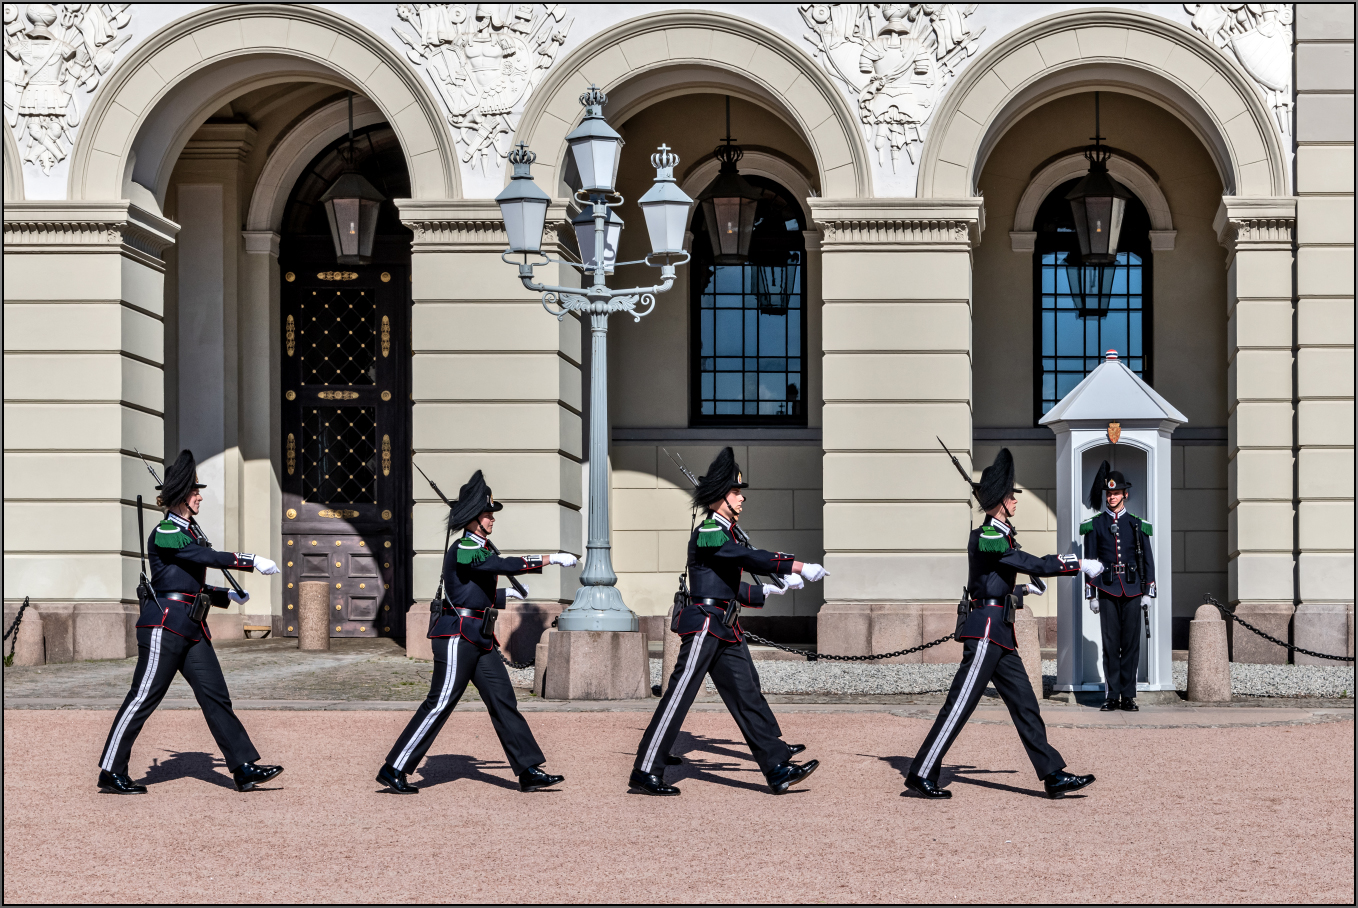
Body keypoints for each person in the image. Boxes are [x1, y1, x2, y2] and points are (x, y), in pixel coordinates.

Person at [904, 448, 1104, 800]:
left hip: (1001, 633)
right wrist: (1078, 564)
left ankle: (1053, 775)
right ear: (999, 500)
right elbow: (1035, 563)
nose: (1015, 501)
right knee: (961, 704)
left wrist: (1023, 588)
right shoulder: (988, 535)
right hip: (985, 632)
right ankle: (921, 772)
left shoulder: (1000, 534)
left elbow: (996, 583)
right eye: (1011, 496)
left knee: (1026, 704)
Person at [630, 447, 826, 797]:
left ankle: (777, 767)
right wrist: (793, 565)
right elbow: (743, 557)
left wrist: (770, 592)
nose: (741, 497)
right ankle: (645, 770)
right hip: (705, 625)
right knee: (679, 696)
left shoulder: (726, 533)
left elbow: (729, 587)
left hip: (726, 626)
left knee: (746, 694)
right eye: (736, 492)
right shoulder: (709, 530)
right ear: (720, 497)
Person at [377, 470, 577, 794]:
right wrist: (549, 558)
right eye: (487, 514)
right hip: (458, 636)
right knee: (441, 701)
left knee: (503, 699)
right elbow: (501, 564)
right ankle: (395, 766)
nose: (492, 520)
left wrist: (503, 595)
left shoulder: (477, 547)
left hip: (479, 637)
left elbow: (472, 590)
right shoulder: (465, 547)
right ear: (473, 519)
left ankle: (527, 768)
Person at [98, 450, 284, 794]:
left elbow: (186, 583)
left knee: (216, 696)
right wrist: (250, 559)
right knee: (143, 698)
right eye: (194, 491)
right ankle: (111, 769)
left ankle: (242, 767)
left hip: (191, 627)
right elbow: (203, 558)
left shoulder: (186, 532)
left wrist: (225, 596)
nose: (200, 496)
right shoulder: (167, 530)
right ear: (181, 496)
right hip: (164, 626)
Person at [1083, 462, 1156, 712]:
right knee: (1111, 644)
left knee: (1131, 645)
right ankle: (1112, 695)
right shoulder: (1095, 525)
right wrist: (1091, 593)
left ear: (1125, 494)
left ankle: (1129, 695)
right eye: (1109, 493)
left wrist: (1148, 592)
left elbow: (1147, 560)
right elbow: (1090, 562)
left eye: (1116, 493)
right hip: (1107, 589)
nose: (1112, 497)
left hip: (1134, 589)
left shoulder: (1137, 524)